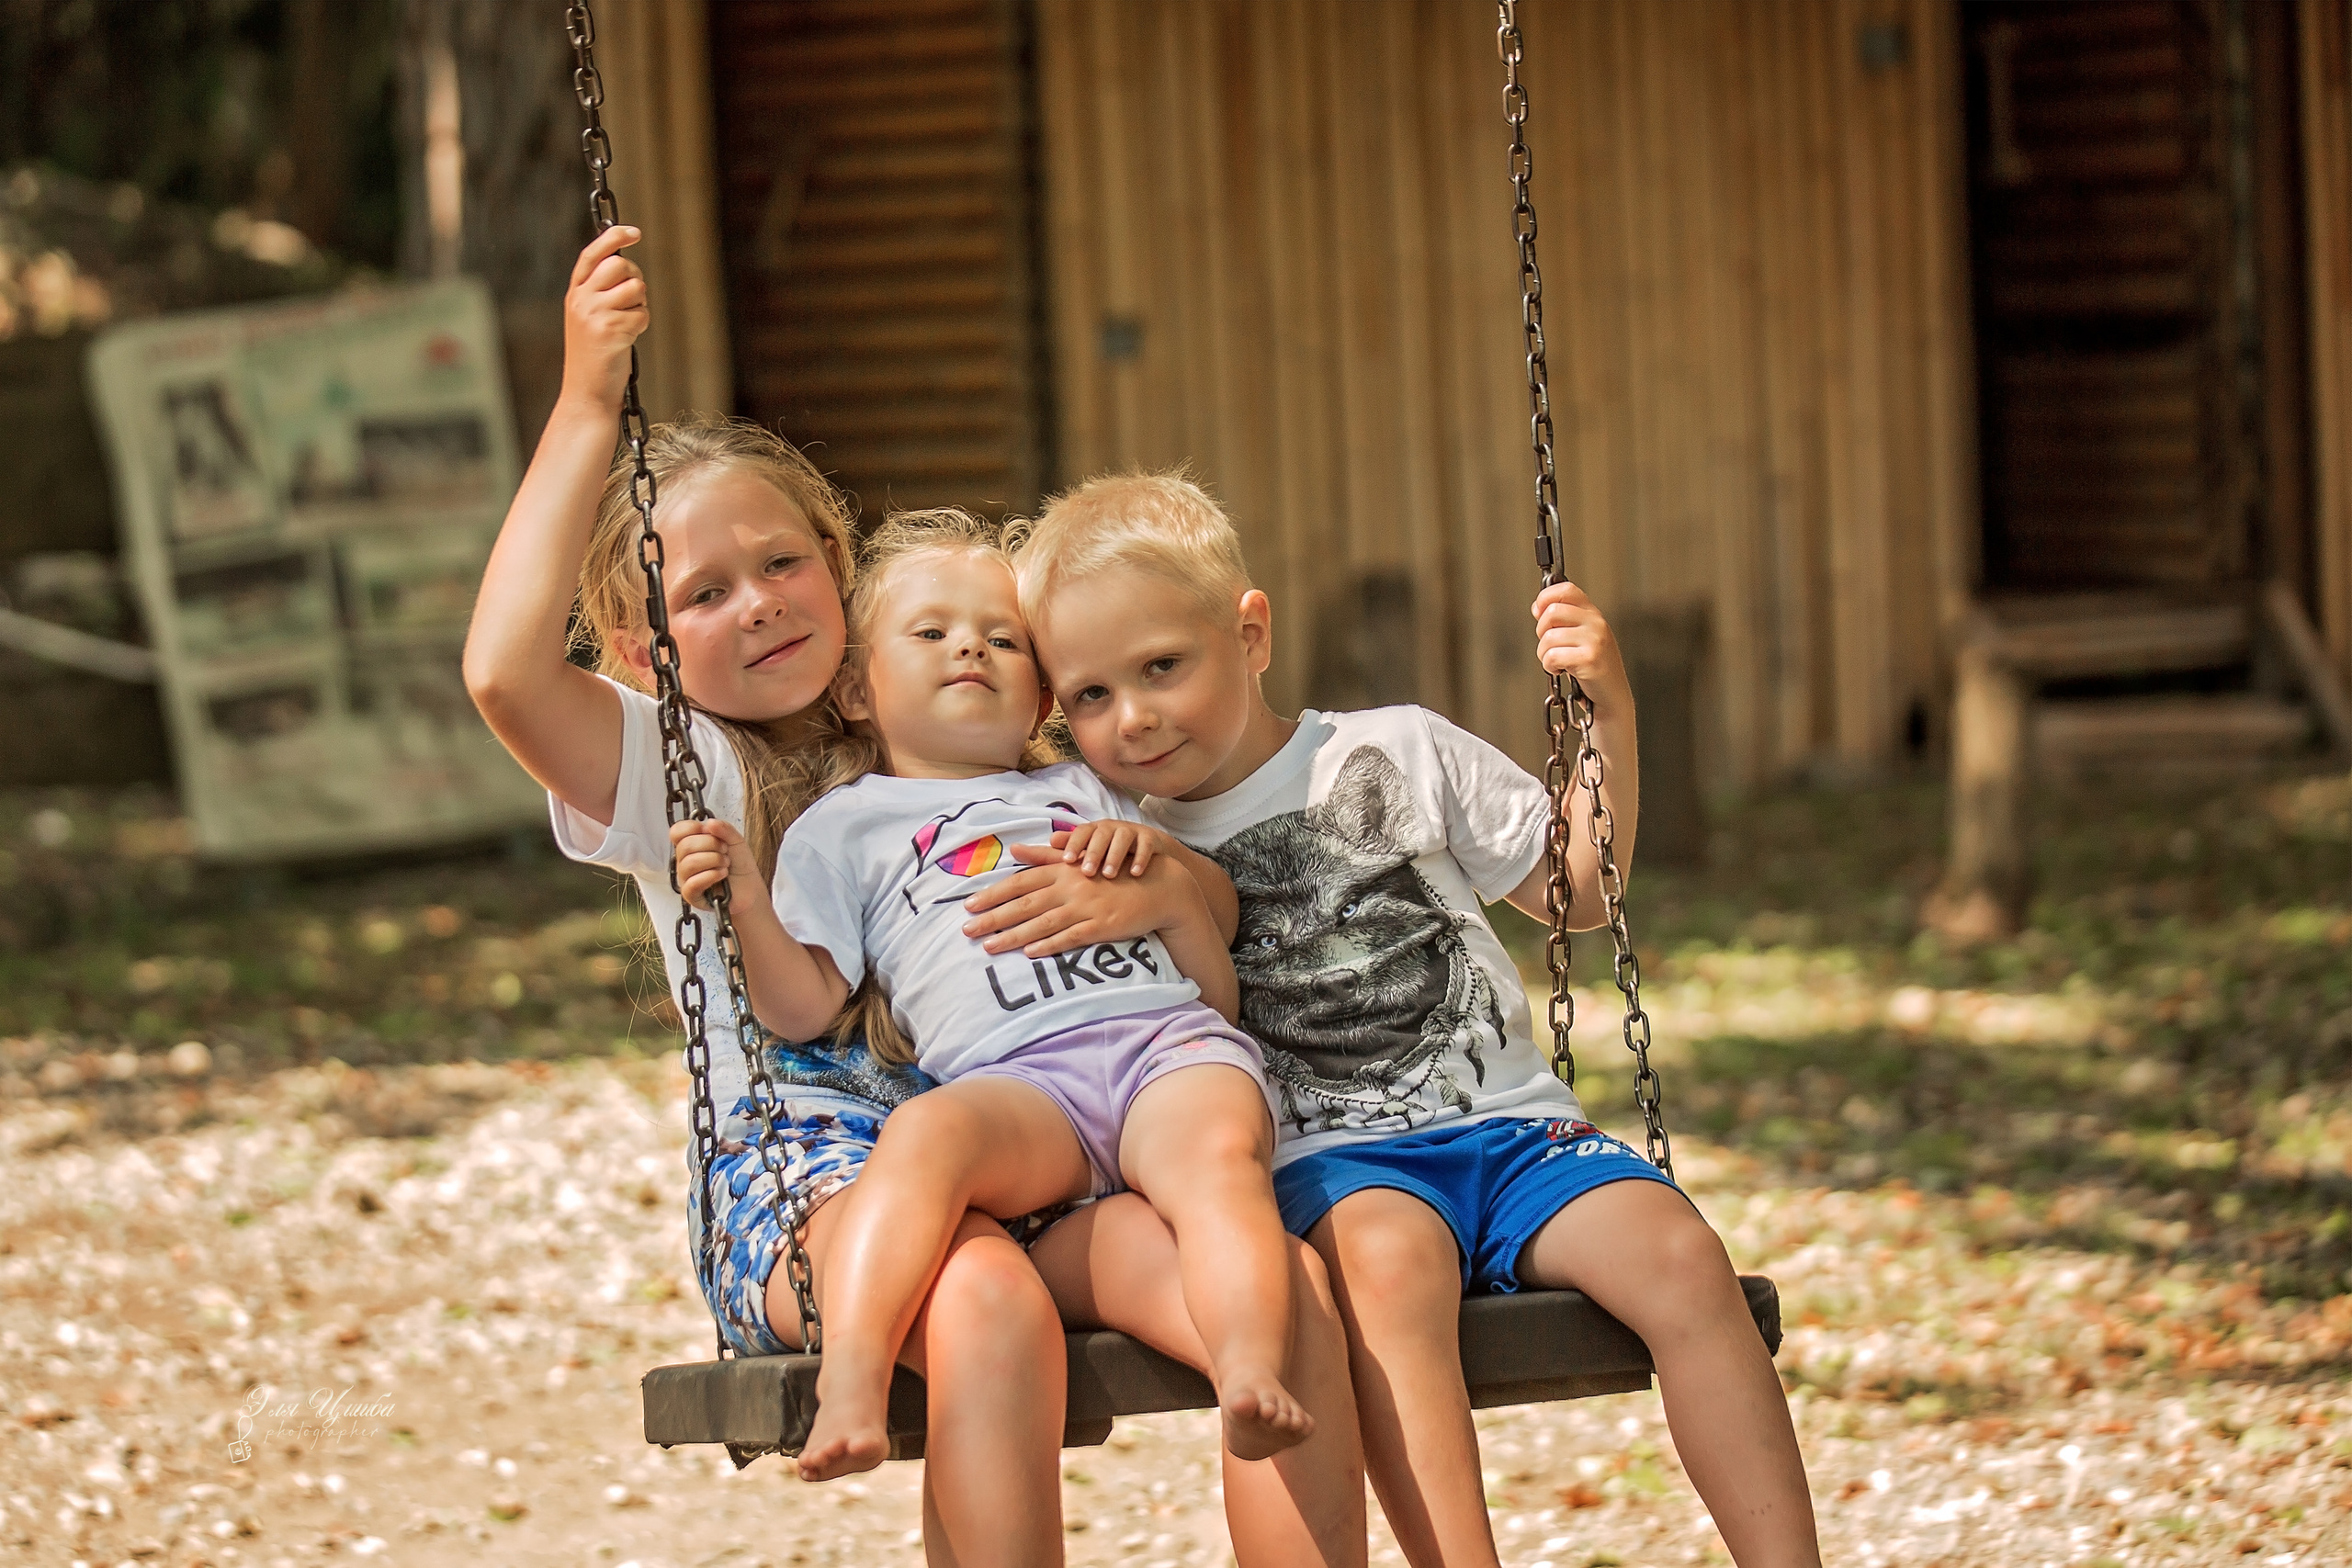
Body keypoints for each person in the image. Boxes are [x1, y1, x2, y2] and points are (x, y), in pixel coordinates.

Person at [464, 231, 1364, 1567]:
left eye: (781, 563)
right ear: (653, 654)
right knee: (984, 1298)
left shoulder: (978, 754)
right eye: (705, 595)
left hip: (1044, 1124)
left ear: (840, 565)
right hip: (817, 1181)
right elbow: (501, 674)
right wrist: (590, 399)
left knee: (1290, 1290)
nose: (759, 606)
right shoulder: (688, 766)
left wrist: (1164, 883)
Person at [965, 472, 1823, 1568]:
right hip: (1334, 1162)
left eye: (1161, 669)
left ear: (1251, 632)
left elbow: (1579, 891)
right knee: (1385, 1272)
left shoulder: (1400, 748)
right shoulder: (1108, 831)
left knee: (1684, 1261)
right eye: (1088, 697)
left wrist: (1606, 712)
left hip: (1517, 1135)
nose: (1130, 717)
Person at [671, 508, 1318, 1484]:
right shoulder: (843, 829)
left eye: (1002, 638)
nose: (969, 644)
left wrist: (1164, 870)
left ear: (1037, 692)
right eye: (930, 632)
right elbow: (801, 1008)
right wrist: (749, 903)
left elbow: (1215, 921)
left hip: (1166, 1052)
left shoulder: (1084, 790)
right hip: (1023, 1087)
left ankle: (1247, 1368)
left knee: (1219, 1167)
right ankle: (850, 1381)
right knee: (924, 1140)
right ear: (856, 687)